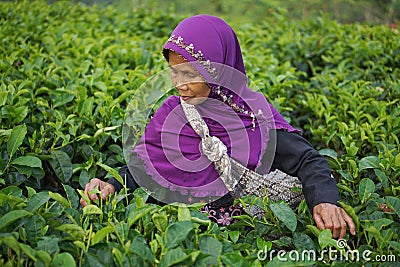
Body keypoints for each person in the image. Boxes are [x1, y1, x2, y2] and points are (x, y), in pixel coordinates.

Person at [80, 14, 355, 239]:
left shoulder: (251, 115)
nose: (179, 85)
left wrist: (324, 201)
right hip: (176, 237)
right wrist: (111, 185)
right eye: (174, 72)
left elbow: (307, 159)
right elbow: (144, 167)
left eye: (190, 74)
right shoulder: (172, 113)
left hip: (242, 241)